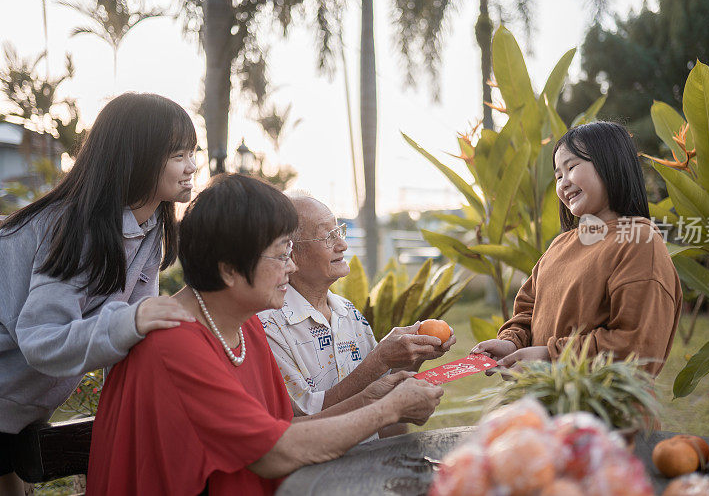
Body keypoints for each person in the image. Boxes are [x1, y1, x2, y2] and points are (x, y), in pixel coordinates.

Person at [87, 174, 443, 496]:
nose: (291, 266)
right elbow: (275, 452)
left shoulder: (247, 326)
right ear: (228, 269)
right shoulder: (173, 342)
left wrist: (373, 397)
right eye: (280, 254)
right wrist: (387, 409)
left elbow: (286, 428)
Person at [0, 93, 198, 494]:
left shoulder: (150, 226)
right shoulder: (79, 229)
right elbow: (42, 337)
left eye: (194, 152)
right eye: (179, 155)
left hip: (19, 405)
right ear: (136, 158)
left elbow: (136, 337)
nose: (192, 167)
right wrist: (131, 321)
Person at [471, 121, 682, 376]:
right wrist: (511, 343)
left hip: (603, 412)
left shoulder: (639, 241)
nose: (563, 183)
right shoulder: (560, 245)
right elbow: (528, 309)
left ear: (611, 164)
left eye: (572, 167)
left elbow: (638, 345)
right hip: (545, 408)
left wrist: (551, 356)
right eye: (558, 175)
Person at [259, 194, 455, 420]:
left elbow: (382, 400)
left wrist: (413, 358)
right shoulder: (268, 326)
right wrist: (379, 359)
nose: (342, 245)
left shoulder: (347, 311)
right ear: (290, 252)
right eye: (328, 237)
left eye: (339, 232)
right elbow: (303, 417)